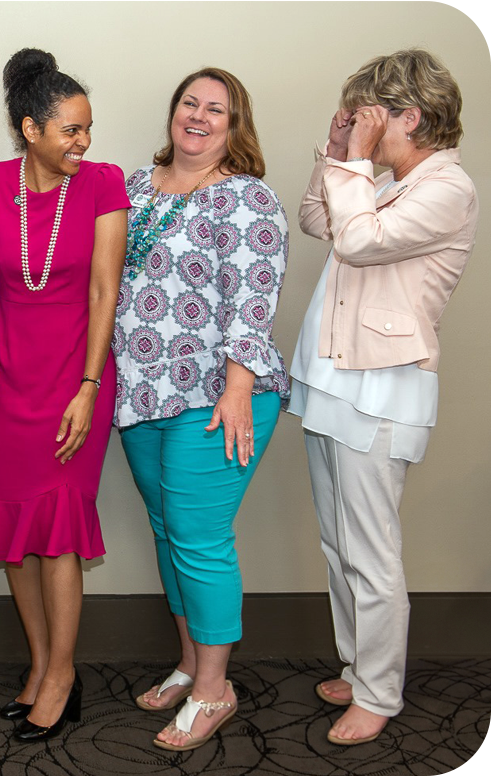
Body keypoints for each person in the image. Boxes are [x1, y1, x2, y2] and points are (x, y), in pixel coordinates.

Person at [289, 49, 478, 747]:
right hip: (334, 375)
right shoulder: (382, 178)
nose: (364, 129)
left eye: (373, 115)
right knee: (338, 541)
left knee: (371, 549)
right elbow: (319, 219)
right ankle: (358, 662)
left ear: (411, 115)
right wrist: (339, 152)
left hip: (381, 385)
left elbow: (361, 242)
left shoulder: (445, 188)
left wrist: (355, 163)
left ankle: (378, 691)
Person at [115, 68, 289, 752]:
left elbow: (254, 296)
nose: (198, 116)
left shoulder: (247, 199)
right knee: (168, 531)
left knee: (198, 538)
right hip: (139, 393)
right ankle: (189, 664)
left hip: (216, 397)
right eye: (189, 102)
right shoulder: (132, 187)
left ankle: (216, 688)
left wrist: (238, 385)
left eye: (215, 109)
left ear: (233, 125)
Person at [0, 49, 127, 742]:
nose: (83, 142)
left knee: (57, 532)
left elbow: (103, 292)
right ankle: (38, 666)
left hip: (73, 371)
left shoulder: (103, 185)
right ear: (30, 129)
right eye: (69, 130)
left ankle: (62, 676)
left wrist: (88, 387)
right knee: (16, 532)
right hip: (8, 377)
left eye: (87, 128)